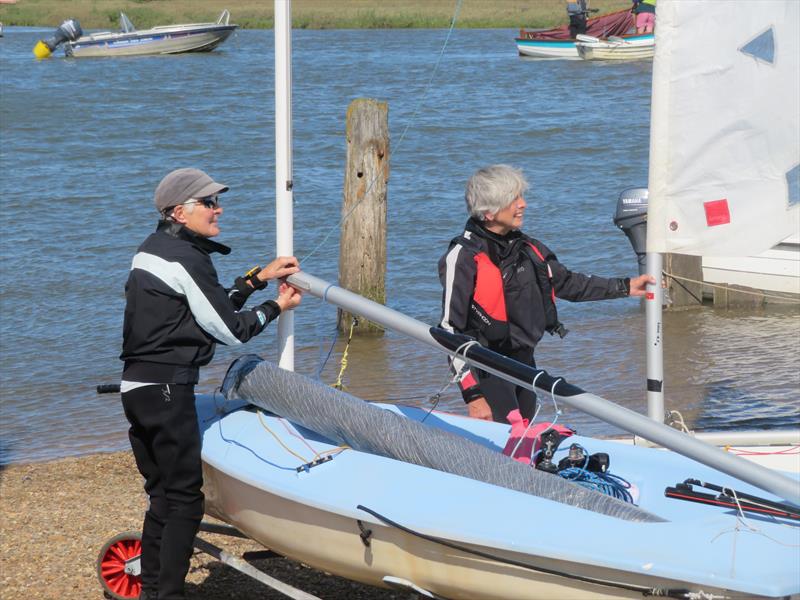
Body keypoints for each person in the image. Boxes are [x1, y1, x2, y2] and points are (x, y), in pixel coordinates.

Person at [119, 168, 303, 600]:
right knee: (185, 500)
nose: (218, 209)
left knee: (163, 497)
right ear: (180, 212)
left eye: (217, 201)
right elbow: (231, 330)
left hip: (137, 389)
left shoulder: (155, 250)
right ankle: (167, 595)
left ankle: (152, 593)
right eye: (209, 203)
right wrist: (276, 305)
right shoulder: (186, 258)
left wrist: (255, 280)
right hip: (166, 389)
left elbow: (201, 314)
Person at [438, 165, 653, 424]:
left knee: (526, 436)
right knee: (505, 440)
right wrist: (472, 396)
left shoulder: (528, 248)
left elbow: (568, 284)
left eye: (521, 196)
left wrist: (626, 286)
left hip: (524, 363)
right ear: (489, 212)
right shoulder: (463, 256)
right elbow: (449, 330)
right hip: (486, 367)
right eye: (513, 199)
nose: (523, 204)